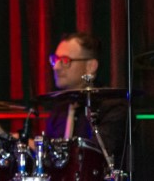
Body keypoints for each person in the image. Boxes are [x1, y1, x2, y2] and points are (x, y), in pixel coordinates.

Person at [44, 32, 127, 169]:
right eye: (55, 59)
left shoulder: (113, 107)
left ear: (91, 66)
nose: (56, 67)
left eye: (65, 60)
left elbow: (95, 157)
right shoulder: (60, 108)